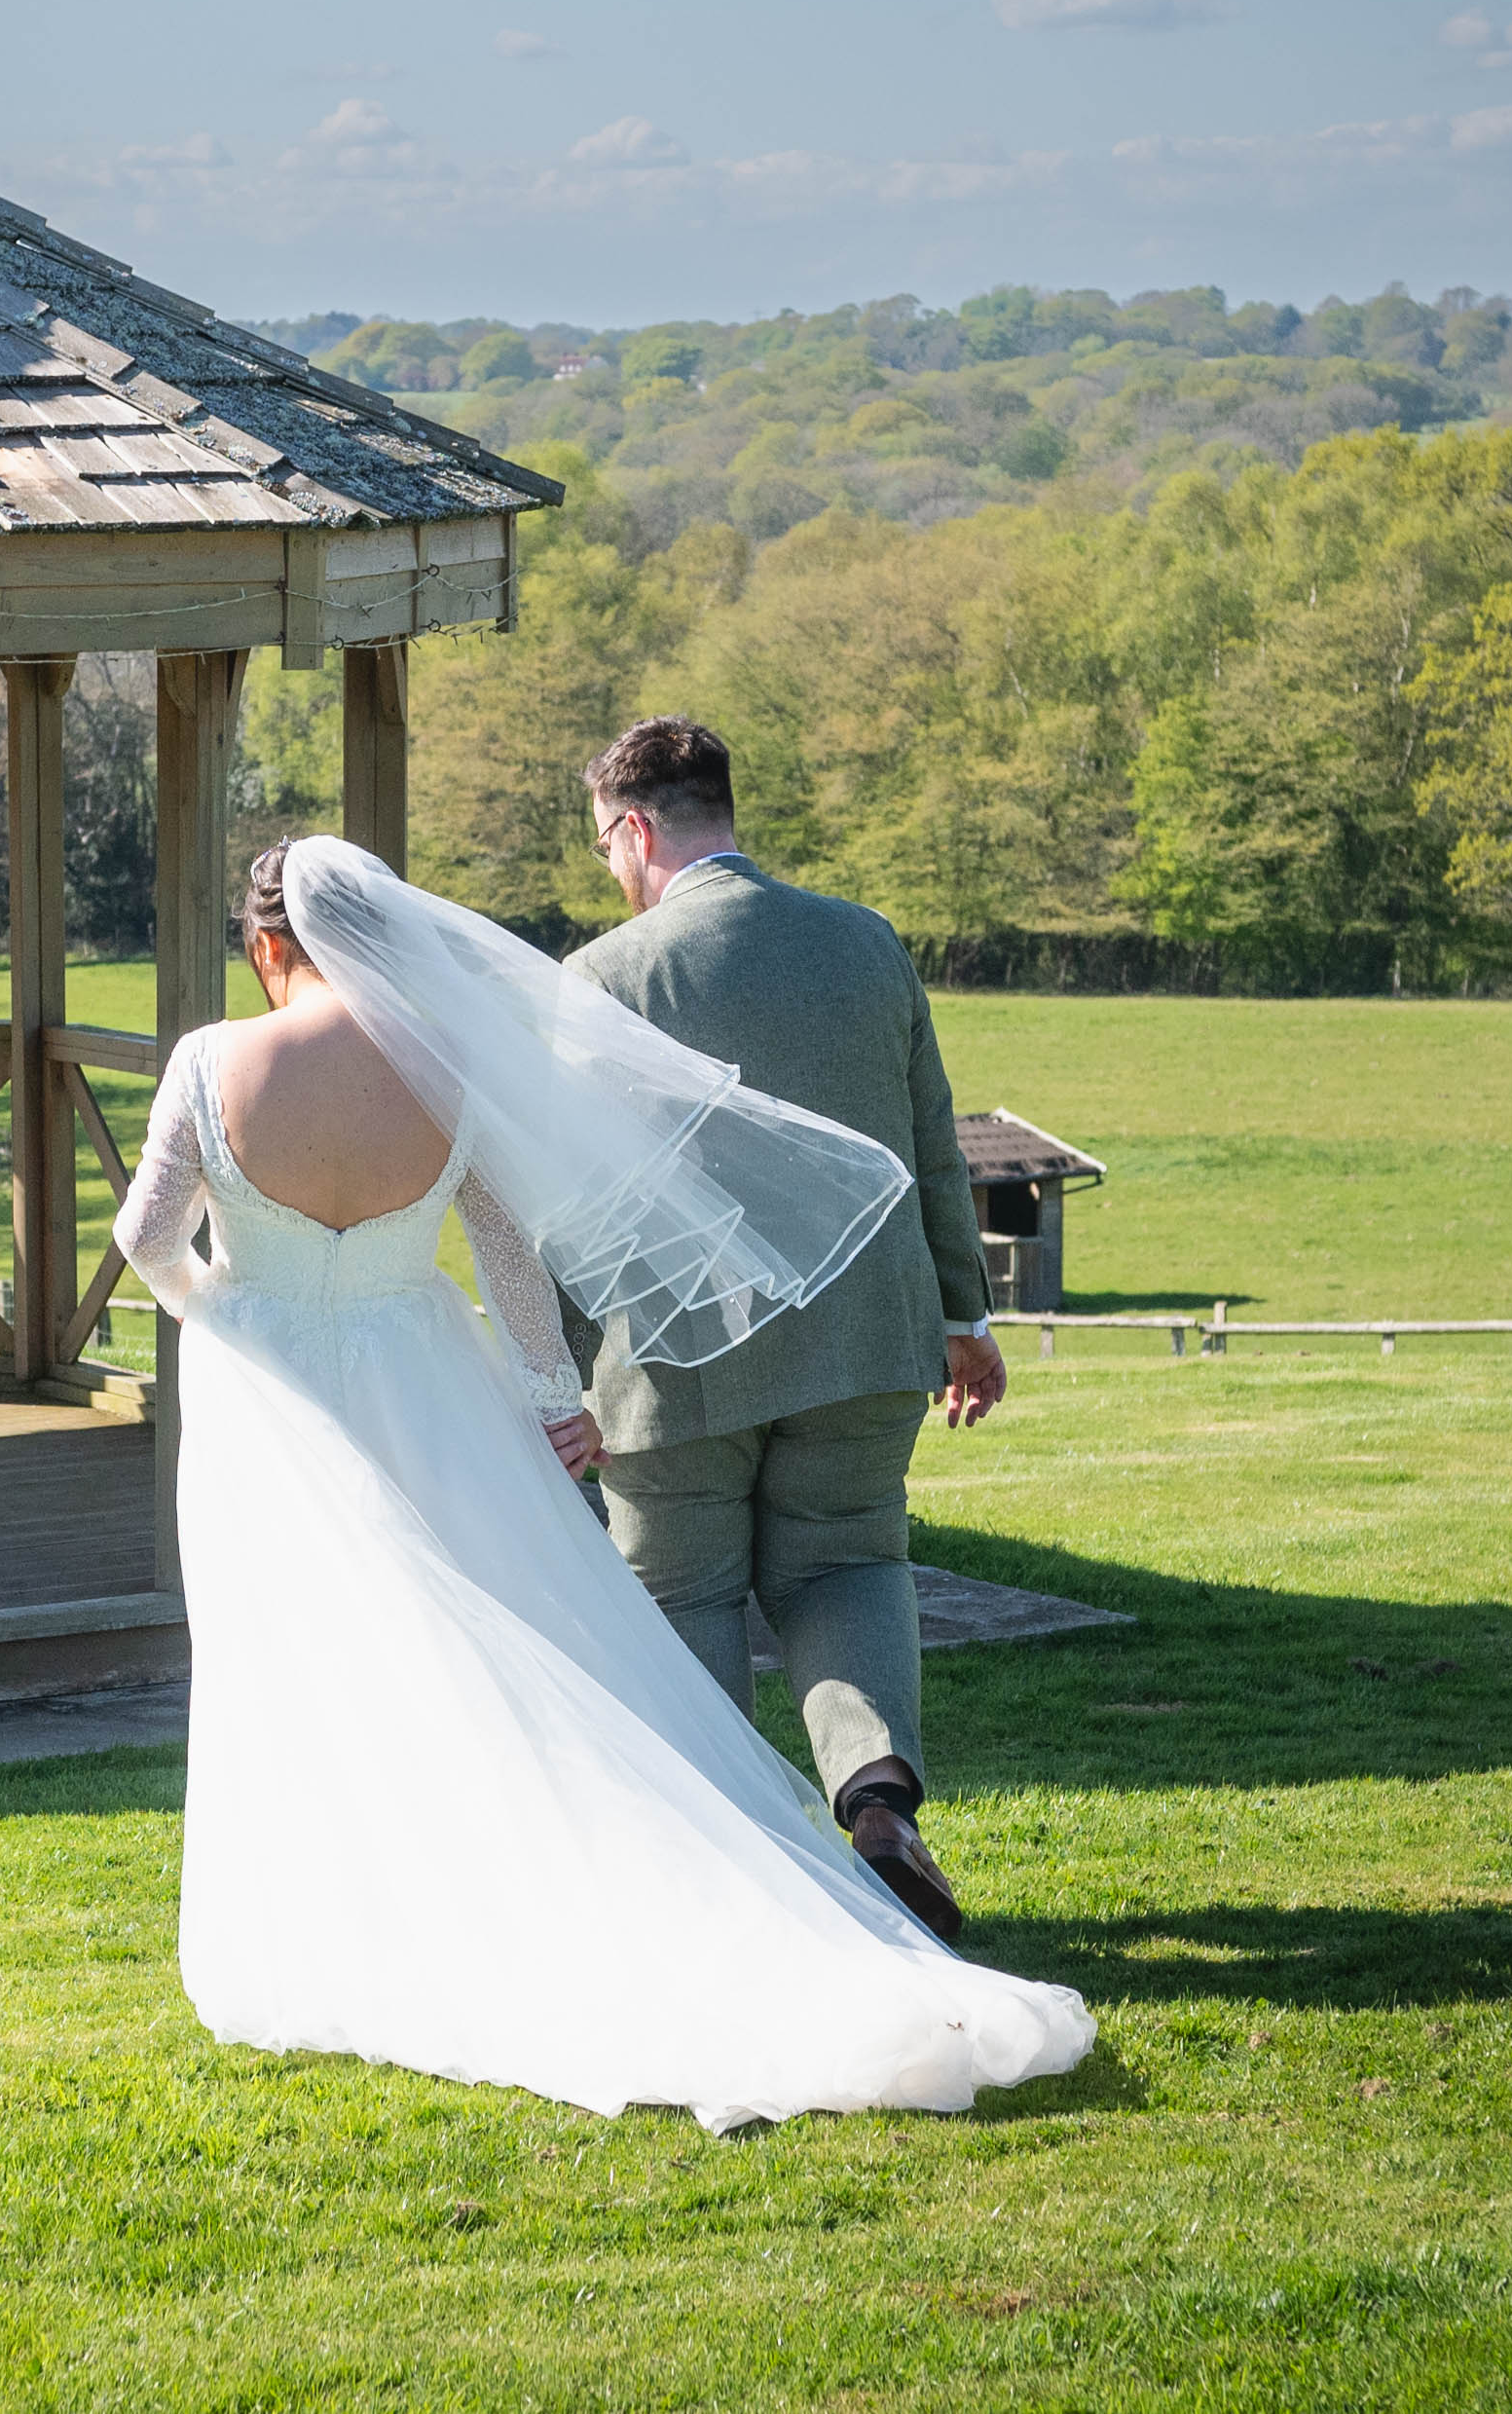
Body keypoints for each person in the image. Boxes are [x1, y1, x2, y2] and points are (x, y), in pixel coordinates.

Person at [113, 835, 1089, 2125]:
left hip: (273, 1394)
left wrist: (221, 1310)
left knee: (293, 1647)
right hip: (425, 1377)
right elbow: (509, 1258)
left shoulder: (208, 1061)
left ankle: (345, 1918)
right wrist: (551, 1400)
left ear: (266, 945)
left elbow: (145, 1234)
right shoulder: (441, 1063)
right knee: (468, 1642)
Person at [565, 716, 1005, 1941]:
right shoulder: (867, 944)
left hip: (676, 1358)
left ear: (634, 830)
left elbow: (568, 1200)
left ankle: (733, 1869)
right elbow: (929, 1144)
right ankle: (878, 1805)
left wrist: (562, 1376)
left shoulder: (600, 979)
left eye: (603, 844)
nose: (608, 866)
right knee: (847, 1564)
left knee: (683, 1595)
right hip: (867, 1334)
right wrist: (962, 1316)